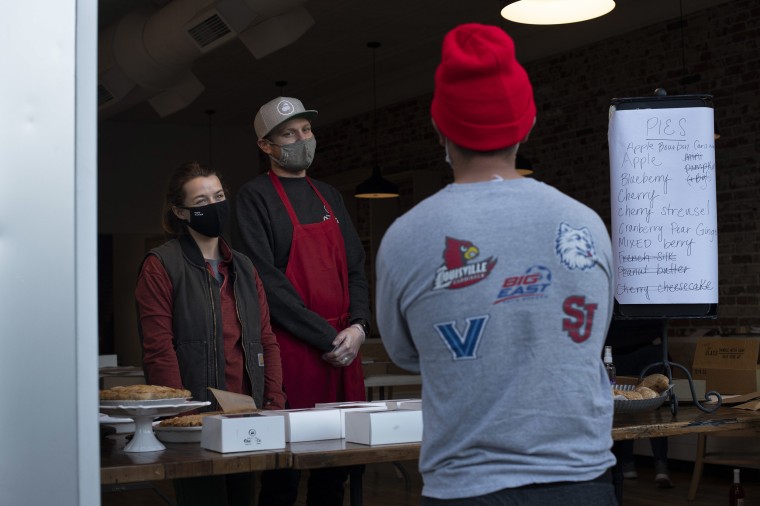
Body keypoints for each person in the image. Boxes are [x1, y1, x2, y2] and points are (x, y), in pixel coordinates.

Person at [375, 23, 617, 505]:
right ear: (528, 124)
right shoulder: (585, 224)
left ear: (439, 128)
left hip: (466, 487)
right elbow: (593, 335)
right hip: (581, 485)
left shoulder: (405, 237)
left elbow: (404, 351)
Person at [235, 96, 371, 505]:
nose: (302, 139)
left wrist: (359, 327)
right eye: (289, 134)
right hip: (292, 349)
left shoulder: (329, 194)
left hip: (346, 346)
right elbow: (266, 281)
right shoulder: (253, 198)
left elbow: (356, 267)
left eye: (306, 130)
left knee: (336, 469)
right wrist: (326, 338)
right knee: (284, 471)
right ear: (266, 145)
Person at [135, 161, 286, 506]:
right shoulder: (161, 265)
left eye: (219, 196)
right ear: (180, 211)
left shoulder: (245, 268)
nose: (215, 206)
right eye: (202, 202)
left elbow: (266, 340)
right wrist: (181, 418)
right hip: (193, 418)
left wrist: (273, 403)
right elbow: (159, 349)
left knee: (242, 499)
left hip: (246, 414)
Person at [606, 318, 674, 488]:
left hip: (630, 346)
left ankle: (651, 466)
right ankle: (650, 466)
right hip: (628, 346)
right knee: (627, 405)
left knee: (635, 405)